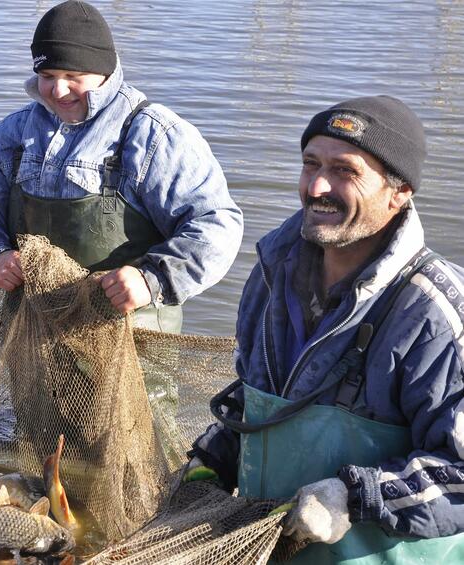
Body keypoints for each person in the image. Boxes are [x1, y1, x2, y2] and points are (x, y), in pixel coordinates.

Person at [188, 95, 464, 562]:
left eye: (345, 171)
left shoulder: (433, 313)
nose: (317, 187)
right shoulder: (272, 274)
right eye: (310, 164)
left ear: (399, 193)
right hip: (273, 549)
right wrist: (211, 457)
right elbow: (258, 396)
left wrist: (354, 497)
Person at [0, 0, 242, 334]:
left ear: (104, 72)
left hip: (135, 343)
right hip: (32, 338)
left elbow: (217, 226)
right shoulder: (11, 135)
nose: (58, 90)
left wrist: (152, 279)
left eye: (73, 76)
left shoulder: (153, 135)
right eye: (47, 76)